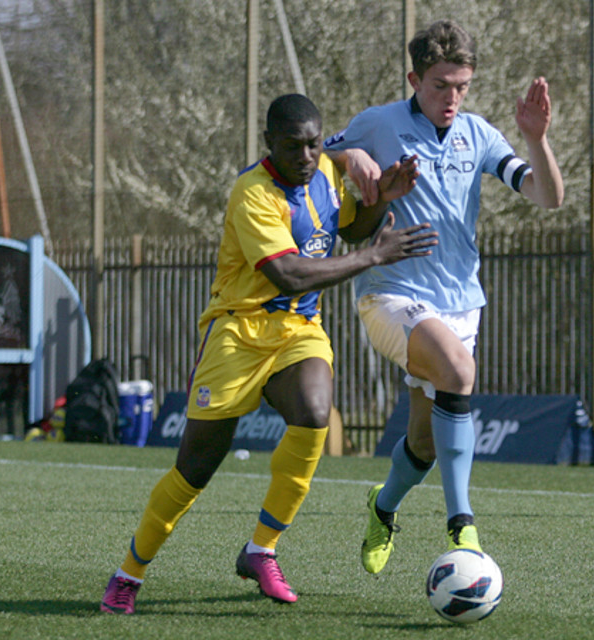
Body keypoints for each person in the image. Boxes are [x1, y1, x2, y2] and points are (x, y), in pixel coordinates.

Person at [100, 93, 438, 614]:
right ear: (268, 145)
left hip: (298, 328)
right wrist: (372, 256)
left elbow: (347, 227)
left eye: (312, 143)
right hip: (237, 332)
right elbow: (289, 272)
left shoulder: (325, 170)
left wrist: (381, 199)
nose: (305, 155)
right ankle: (129, 572)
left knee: (313, 414)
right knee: (195, 469)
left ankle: (262, 549)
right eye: (291, 146)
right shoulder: (253, 192)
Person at [323, 19, 564, 575]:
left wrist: (537, 138)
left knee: (425, 443)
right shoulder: (379, 123)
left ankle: (382, 508)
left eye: (461, 87)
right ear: (414, 78)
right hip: (390, 293)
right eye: (440, 86)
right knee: (458, 370)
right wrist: (348, 158)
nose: (451, 98)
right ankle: (463, 526)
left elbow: (547, 197)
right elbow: (311, 159)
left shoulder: (477, 134)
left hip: (461, 303)